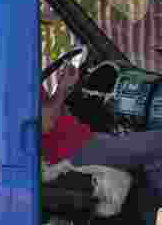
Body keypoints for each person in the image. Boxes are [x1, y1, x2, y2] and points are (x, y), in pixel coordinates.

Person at [41, 62, 162, 196]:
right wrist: (63, 86)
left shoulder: (24, 82)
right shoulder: (18, 82)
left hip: (83, 141)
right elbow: (46, 123)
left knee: (151, 157)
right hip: (73, 150)